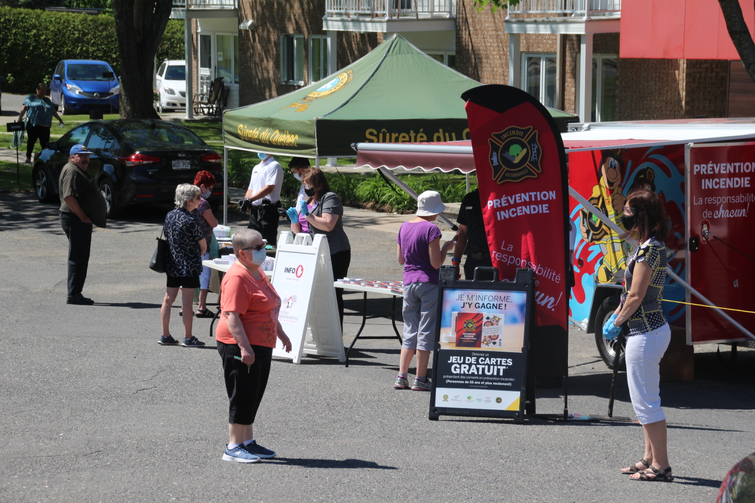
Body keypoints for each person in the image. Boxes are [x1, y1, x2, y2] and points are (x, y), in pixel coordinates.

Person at [604, 190, 673, 482]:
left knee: (646, 402)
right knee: (642, 401)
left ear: (643, 215)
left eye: (630, 210)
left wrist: (616, 321)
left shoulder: (649, 250)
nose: (625, 215)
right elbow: (628, 293)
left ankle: (662, 466)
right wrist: (619, 315)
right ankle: (649, 457)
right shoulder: (646, 246)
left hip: (646, 332)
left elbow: (635, 295)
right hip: (647, 330)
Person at [215, 229, 292, 463]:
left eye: (264, 245)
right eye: (258, 248)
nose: (263, 250)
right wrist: (245, 348)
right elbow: (233, 317)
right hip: (240, 343)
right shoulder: (238, 277)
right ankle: (233, 446)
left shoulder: (255, 270)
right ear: (242, 253)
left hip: (261, 342)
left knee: (254, 392)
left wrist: (281, 334)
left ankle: (247, 442)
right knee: (242, 393)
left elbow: (268, 307)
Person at [394, 191, 455, 391]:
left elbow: (401, 260)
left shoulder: (404, 226)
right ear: (435, 211)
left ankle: (402, 376)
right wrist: (446, 248)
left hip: (409, 282)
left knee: (410, 328)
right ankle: (420, 378)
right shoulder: (432, 229)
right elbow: (436, 263)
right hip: (429, 283)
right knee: (426, 330)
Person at [299, 168, 351, 328]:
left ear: (319, 185)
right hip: (317, 252)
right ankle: (323, 335)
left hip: (336, 252)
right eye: (305, 185)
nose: (306, 188)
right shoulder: (309, 202)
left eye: (309, 184)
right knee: (318, 294)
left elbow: (328, 224)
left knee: (333, 294)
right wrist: (295, 220)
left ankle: (336, 335)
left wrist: (308, 215)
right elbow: (303, 229)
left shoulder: (330, 198)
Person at [159, 184, 207, 348]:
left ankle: (165, 334)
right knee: (187, 302)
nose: (200, 200)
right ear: (189, 201)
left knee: (168, 299)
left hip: (173, 262)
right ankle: (188, 337)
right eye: (198, 197)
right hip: (189, 265)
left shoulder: (170, 216)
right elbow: (203, 245)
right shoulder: (191, 220)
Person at [59, 144, 104, 305]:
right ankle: (74, 294)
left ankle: (75, 292)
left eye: (87, 156)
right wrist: (83, 217)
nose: (86, 159)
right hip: (75, 219)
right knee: (77, 257)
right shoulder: (72, 171)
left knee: (80, 256)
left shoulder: (77, 170)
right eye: (81, 156)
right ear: (73, 157)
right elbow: (69, 198)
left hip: (77, 220)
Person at [191, 170, 218, 318]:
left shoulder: (184, 198)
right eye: (209, 188)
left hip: (187, 244)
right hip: (202, 244)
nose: (210, 191)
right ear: (203, 186)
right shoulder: (202, 202)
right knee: (204, 275)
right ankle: (201, 306)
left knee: (187, 274)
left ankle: (185, 306)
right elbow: (213, 223)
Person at [241, 153, 283, 247]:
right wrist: (246, 200)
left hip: (268, 210)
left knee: (267, 242)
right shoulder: (256, 167)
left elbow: (269, 188)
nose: (260, 152)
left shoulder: (274, 165)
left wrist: (250, 199)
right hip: (255, 210)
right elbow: (251, 188)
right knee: (251, 242)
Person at [451, 188, 492, 280]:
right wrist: (456, 261)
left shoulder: (502, 198)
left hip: (495, 261)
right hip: (473, 261)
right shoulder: (469, 198)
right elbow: (462, 232)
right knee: (472, 293)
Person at [17, 83, 64, 164]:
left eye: (44, 90)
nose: (43, 92)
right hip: (33, 125)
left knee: (45, 145)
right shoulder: (31, 97)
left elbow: (53, 111)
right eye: (41, 90)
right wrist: (20, 118)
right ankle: (28, 158)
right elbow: (24, 107)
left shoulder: (47, 100)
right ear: (37, 90)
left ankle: (44, 160)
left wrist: (59, 119)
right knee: (31, 142)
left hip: (45, 126)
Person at [285, 157, 312, 234]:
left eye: (294, 171)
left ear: (301, 170)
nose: (294, 174)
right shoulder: (303, 185)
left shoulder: (310, 187)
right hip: (299, 224)